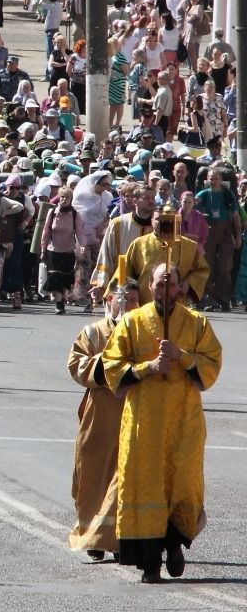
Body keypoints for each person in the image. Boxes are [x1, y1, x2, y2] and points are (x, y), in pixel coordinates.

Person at [102, 264, 222, 583]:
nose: (165, 289)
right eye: (159, 283)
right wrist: (147, 367)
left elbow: (211, 365)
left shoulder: (197, 323)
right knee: (145, 486)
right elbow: (112, 365)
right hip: (144, 420)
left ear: (180, 288)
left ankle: (175, 543)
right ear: (150, 286)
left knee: (182, 483)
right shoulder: (132, 321)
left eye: (171, 284)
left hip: (183, 420)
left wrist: (182, 356)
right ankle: (150, 562)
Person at [68, 279, 140, 559]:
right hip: (99, 412)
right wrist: (109, 362)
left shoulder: (143, 331)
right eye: (123, 299)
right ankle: (93, 536)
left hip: (131, 410)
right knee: (92, 474)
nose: (128, 305)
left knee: (124, 477)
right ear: (109, 299)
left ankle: (121, 538)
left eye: (134, 300)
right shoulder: (93, 332)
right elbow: (76, 364)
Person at [120, 204, 209, 304]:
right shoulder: (139, 243)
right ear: (152, 221)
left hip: (177, 303)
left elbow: (202, 270)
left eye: (169, 219)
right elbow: (125, 272)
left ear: (176, 222)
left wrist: (188, 283)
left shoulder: (189, 246)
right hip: (145, 302)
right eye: (158, 219)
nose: (164, 223)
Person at [90, 184, 155, 300]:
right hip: (121, 285)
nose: (151, 202)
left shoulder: (159, 226)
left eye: (153, 198)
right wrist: (101, 284)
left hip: (149, 289)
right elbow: (106, 254)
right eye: (146, 198)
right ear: (135, 201)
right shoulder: (118, 224)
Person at [196, 168, 242, 311]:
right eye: (210, 178)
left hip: (225, 233)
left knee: (225, 267)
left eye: (215, 178)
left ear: (220, 179)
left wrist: (238, 236)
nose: (213, 180)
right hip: (208, 233)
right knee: (207, 266)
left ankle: (224, 299)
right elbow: (194, 214)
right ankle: (209, 300)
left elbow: (235, 216)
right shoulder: (202, 195)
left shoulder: (228, 194)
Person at [40, 186, 83, 315]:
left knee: (65, 278)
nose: (64, 199)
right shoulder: (52, 212)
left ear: (71, 199)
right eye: (62, 197)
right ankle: (59, 304)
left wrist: (82, 246)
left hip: (68, 250)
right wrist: (43, 249)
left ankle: (62, 300)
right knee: (55, 276)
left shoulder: (75, 214)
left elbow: (80, 232)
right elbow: (46, 231)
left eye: (67, 197)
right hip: (53, 250)